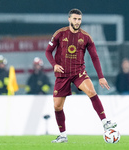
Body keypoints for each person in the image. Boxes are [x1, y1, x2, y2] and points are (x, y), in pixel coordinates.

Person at [45, 8, 117, 143]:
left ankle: (105, 121)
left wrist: (101, 76)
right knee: (57, 106)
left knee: (91, 91)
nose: (77, 22)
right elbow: (48, 51)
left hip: (78, 72)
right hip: (62, 74)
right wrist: (54, 64)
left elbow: (95, 57)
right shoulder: (60, 34)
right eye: (74, 19)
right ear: (69, 19)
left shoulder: (86, 37)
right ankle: (63, 135)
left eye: (79, 19)